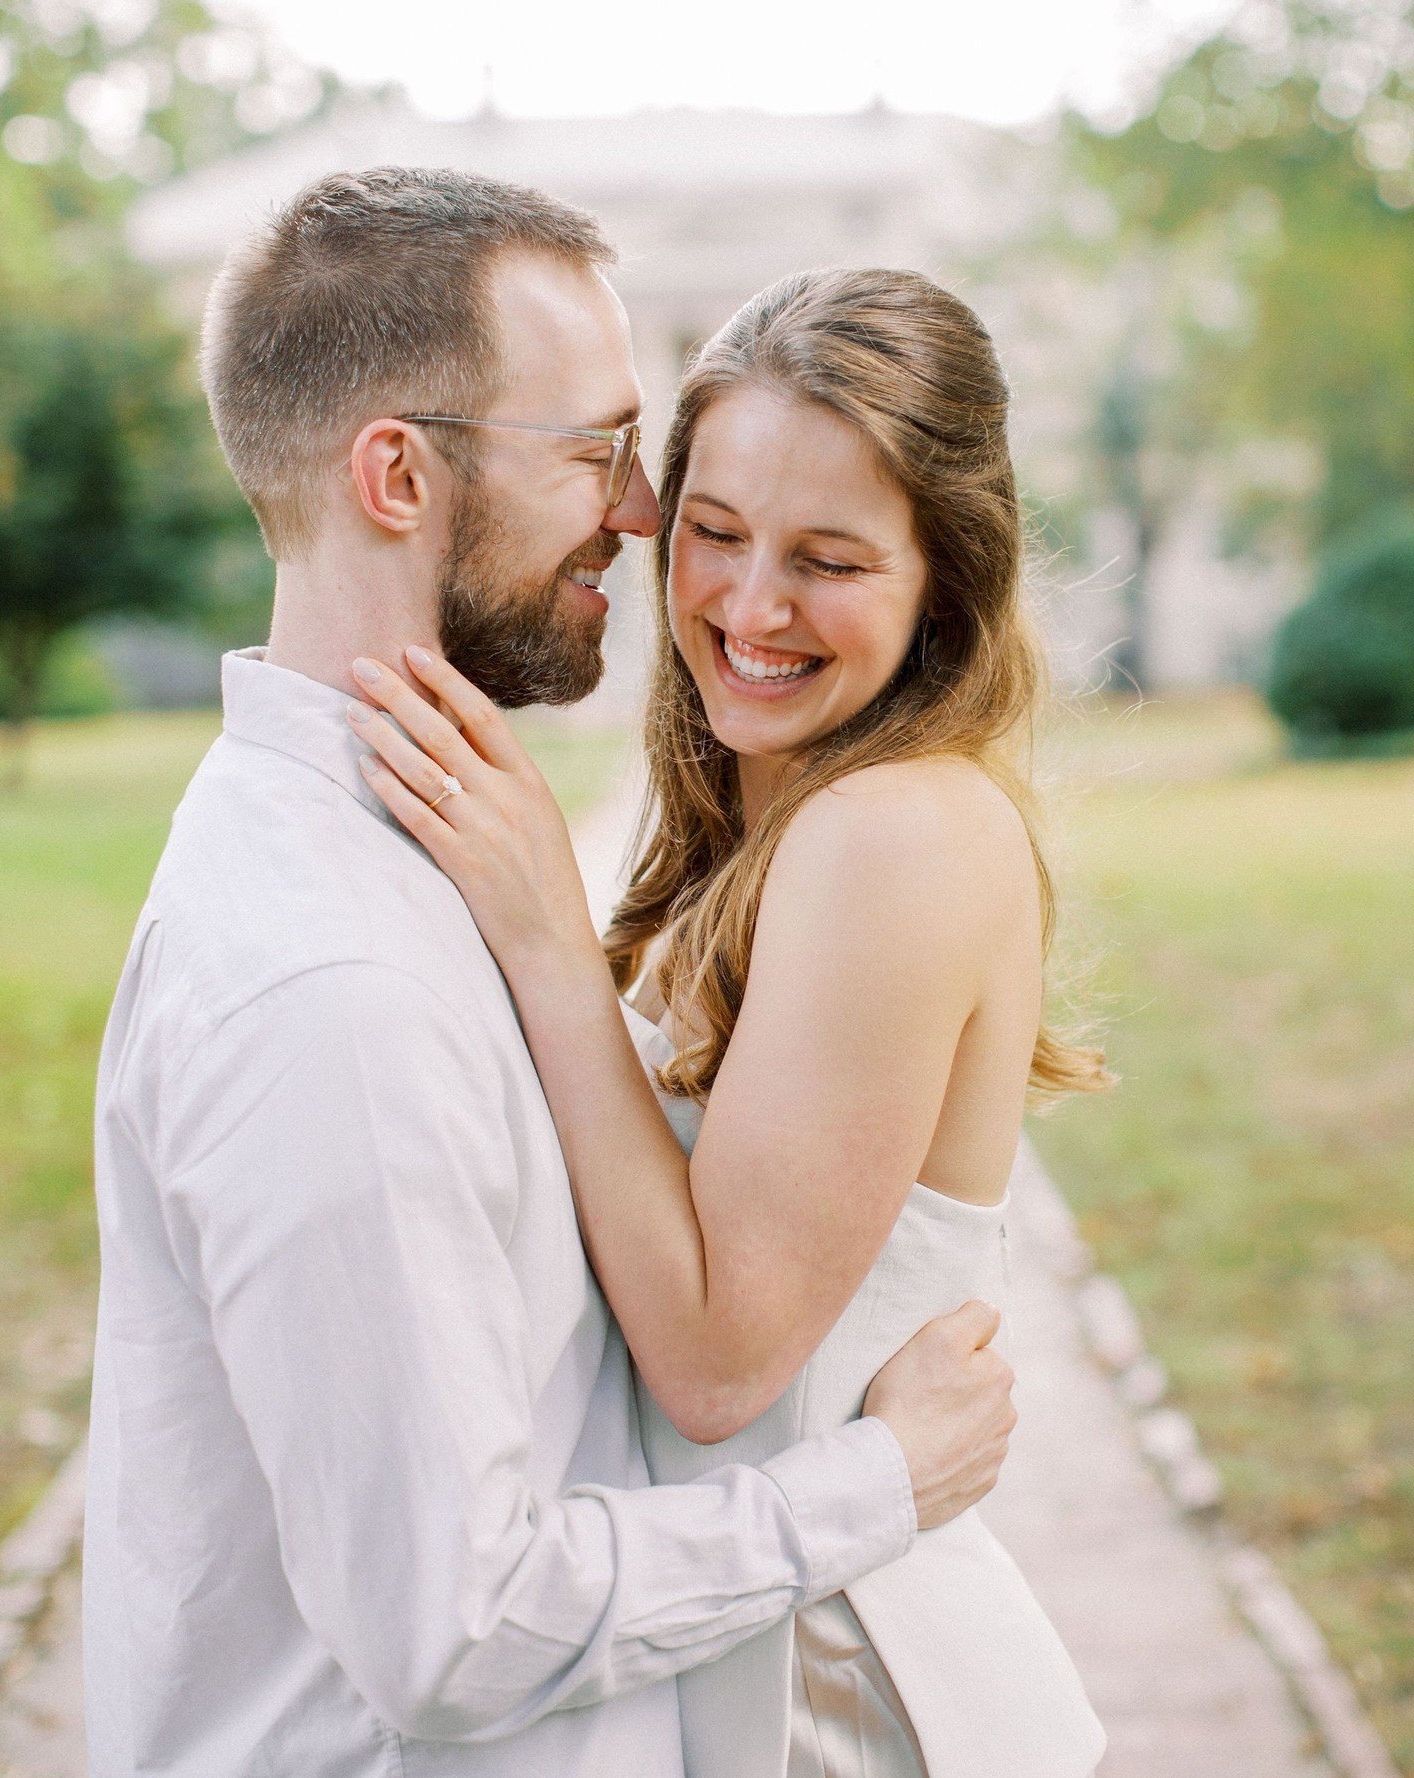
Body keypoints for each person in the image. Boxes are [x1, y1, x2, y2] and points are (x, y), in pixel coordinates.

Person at [85, 169, 1020, 1778]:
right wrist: (875, 1479)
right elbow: (457, 1619)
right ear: (396, 473)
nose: (649, 522)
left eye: (829, 555)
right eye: (606, 456)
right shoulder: (334, 975)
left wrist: (546, 937)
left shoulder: (441, 858)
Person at [351, 266, 1110, 1778]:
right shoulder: (777, 822)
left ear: (944, 583)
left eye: (828, 559)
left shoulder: (894, 833)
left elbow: (713, 1361)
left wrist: (547, 935)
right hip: (742, 1670)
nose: (749, 608)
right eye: (712, 532)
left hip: (848, 1706)